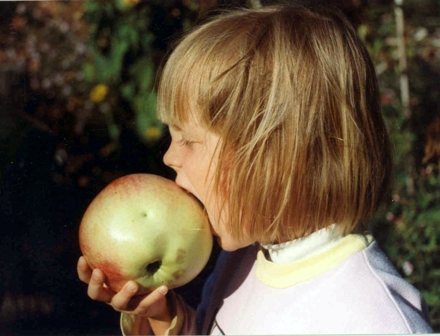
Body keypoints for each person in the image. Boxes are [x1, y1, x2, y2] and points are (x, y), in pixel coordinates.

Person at [77, 4, 434, 335]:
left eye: (188, 139)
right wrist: (160, 317)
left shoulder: (372, 320)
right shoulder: (243, 262)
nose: (169, 156)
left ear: (274, 156)